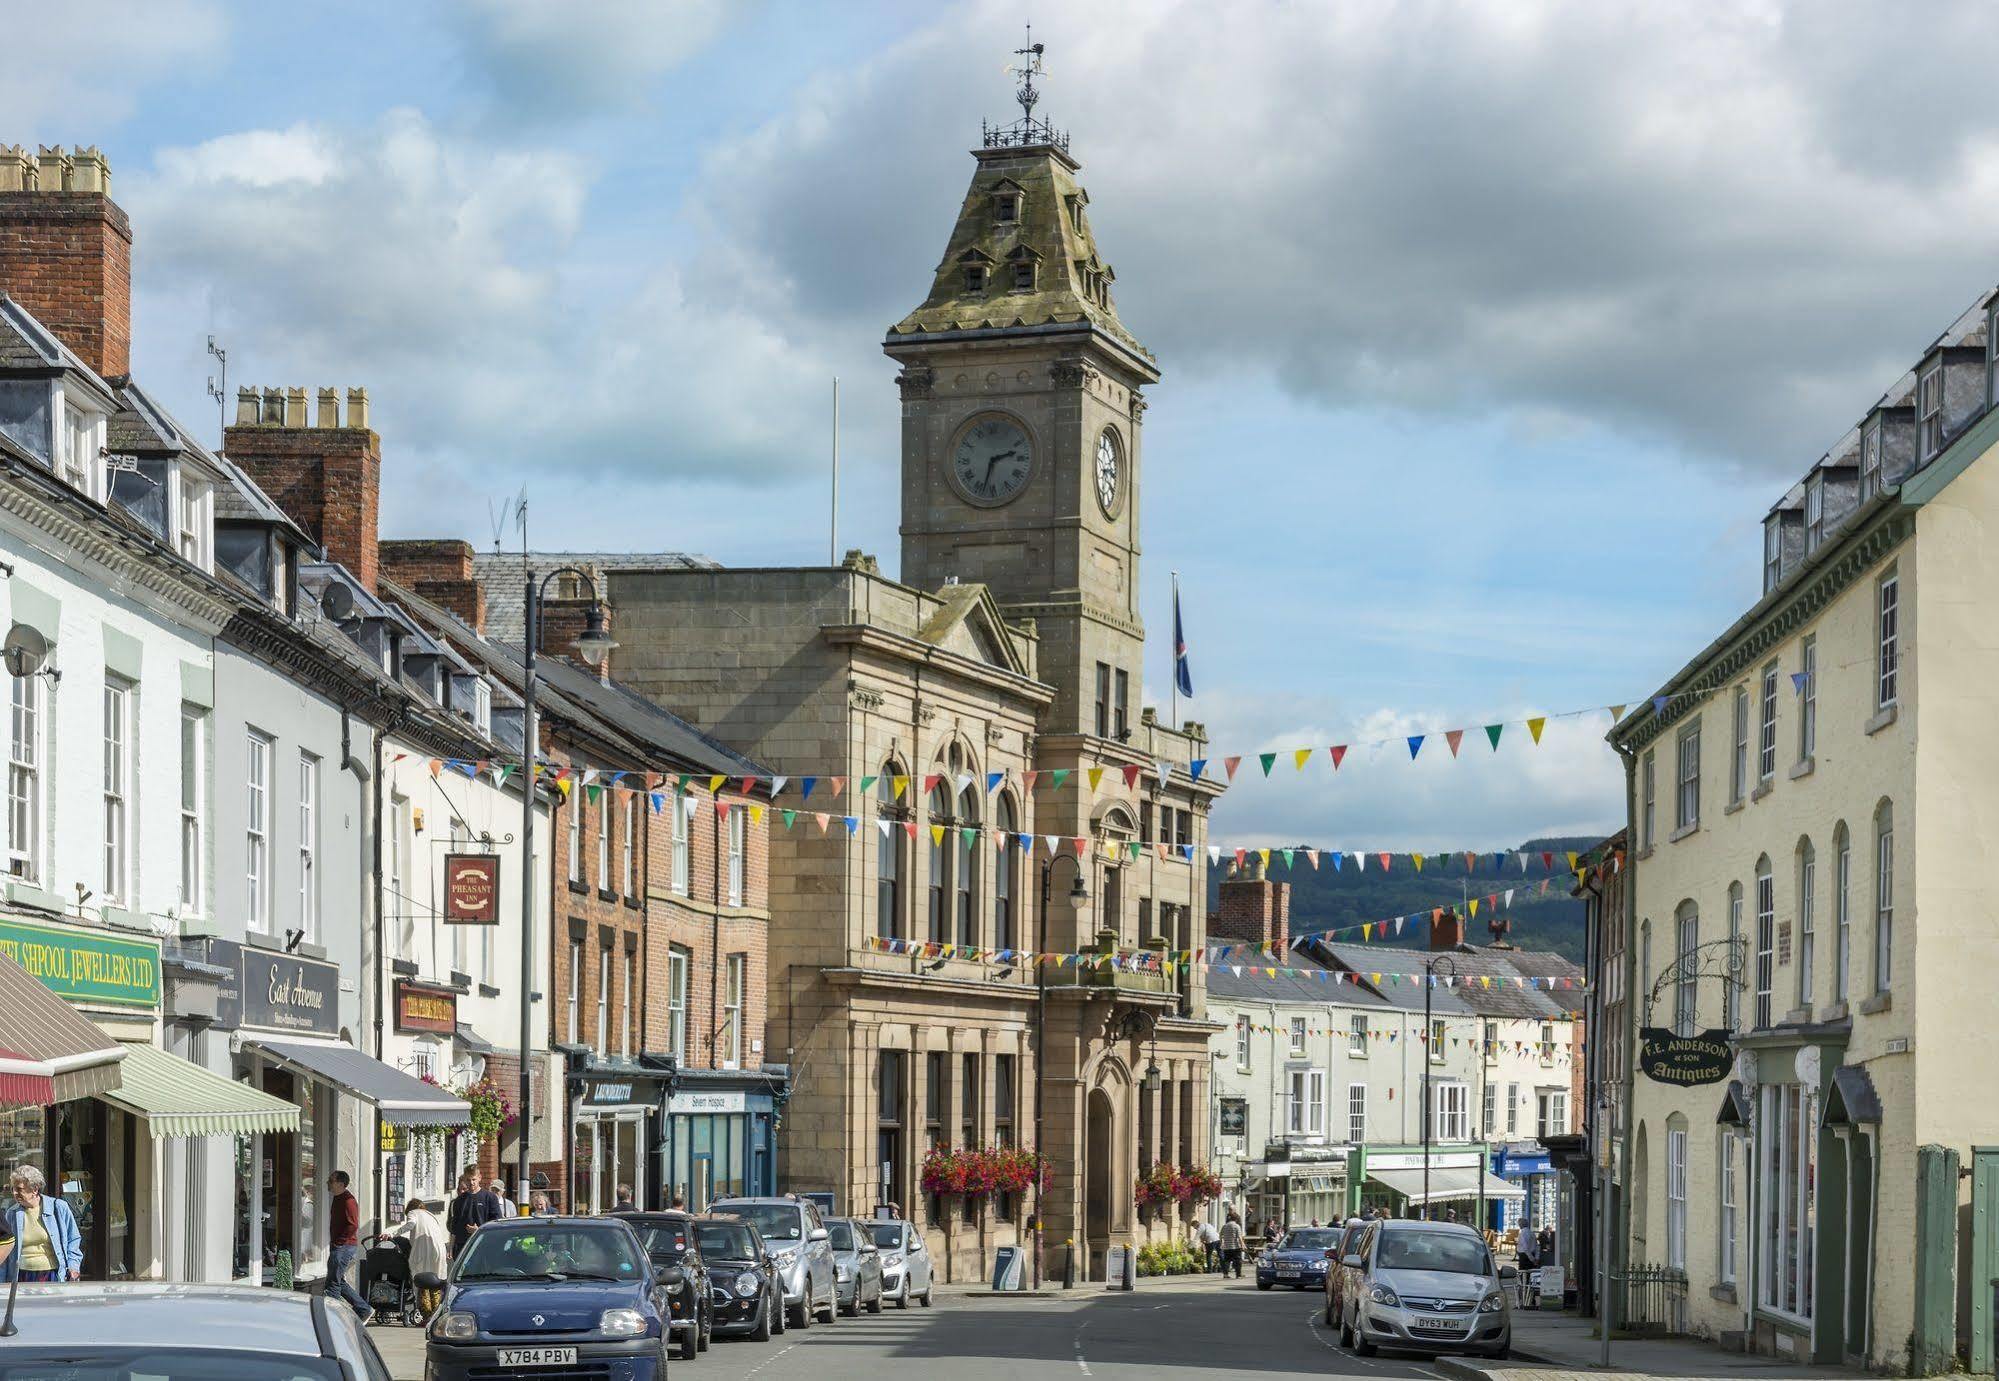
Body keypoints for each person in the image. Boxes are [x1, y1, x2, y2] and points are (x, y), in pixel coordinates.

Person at [1, 1164, 82, 1282]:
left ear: (35, 1189)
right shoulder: (12, 1213)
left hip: (51, 1274)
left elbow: (73, 1239)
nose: (14, 1193)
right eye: (13, 1188)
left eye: (19, 1189)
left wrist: (73, 1266)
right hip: (21, 1275)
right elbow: (5, 1248)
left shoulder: (58, 1208)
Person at [390, 1198, 450, 1319]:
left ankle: (426, 1316)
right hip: (439, 1250)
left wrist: (392, 1234)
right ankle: (437, 1314)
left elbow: (411, 1224)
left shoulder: (414, 1213)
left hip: (424, 1251)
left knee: (422, 1282)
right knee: (435, 1282)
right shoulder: (431, 1216)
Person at [325, 1171, 369, 1322]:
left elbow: (353, 1225)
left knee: (333, 1283)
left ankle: (332, 1317)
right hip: (340, 1245)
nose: (328, 1183)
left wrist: (339, 1242)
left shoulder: (348, 1200)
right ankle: (363, 1309)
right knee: (336, 1280)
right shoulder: (338, 1198)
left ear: (340, 1184)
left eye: (331, 1180)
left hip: (344, 1246)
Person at [447, 1170, 502, 1256]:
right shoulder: (459, 1200)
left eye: (474, 1179)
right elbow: (454, 1226)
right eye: (468, 1180)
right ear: (465, 1180)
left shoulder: (490, 1197)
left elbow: (496, 1223)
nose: (471, 1183)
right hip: (463, 1246)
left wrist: (479, 1230)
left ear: (479, 1178)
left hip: (484, 1245)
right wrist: (450, 1248)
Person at [1218, 1211, 1245, 1279]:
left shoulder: (1225, 1226)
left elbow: (1220, 1235)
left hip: (1226, 1247)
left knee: (1227, 1261)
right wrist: (1243, 1245)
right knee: (1238, 1261)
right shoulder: (1236, 1226)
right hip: (1235, 1246)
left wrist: (1222, 1243)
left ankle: (1225, 1274)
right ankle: (1238, 1274)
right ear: (1236, 1219)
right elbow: (1239, 1237)